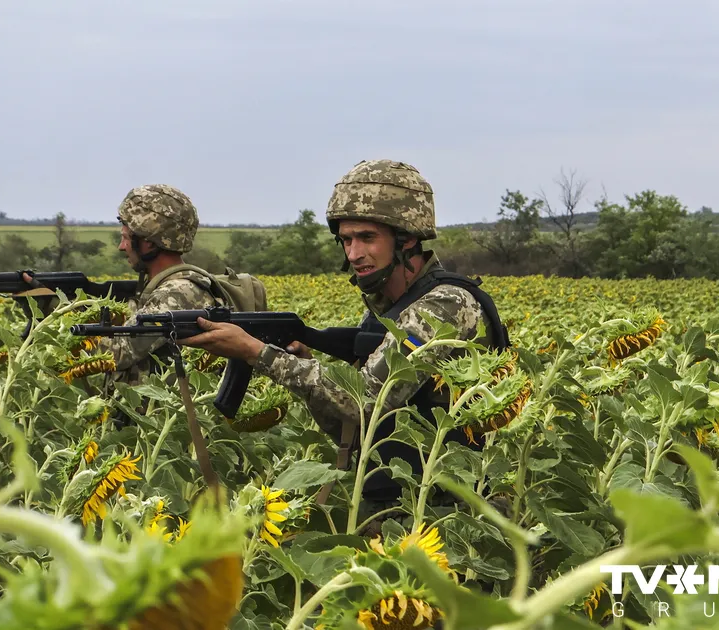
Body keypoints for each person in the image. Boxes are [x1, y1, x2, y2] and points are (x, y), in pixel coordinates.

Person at [176, 159, 508, 534]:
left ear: (407, 239)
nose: (353, 254)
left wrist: (258, 353)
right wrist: (301, 363)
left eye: (367, 238)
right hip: (395, 510)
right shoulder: (387, 312)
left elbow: (369, 400)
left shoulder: (446, 304)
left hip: (451, 522)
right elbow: (355, 430)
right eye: (346, 240)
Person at [27, 184, 234, 384]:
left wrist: (51, 308)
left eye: (126, 238)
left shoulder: (177, 293)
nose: (121, 246)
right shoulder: (163, 286)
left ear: (149, 242)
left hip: (161, 418)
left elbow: (116, 352)